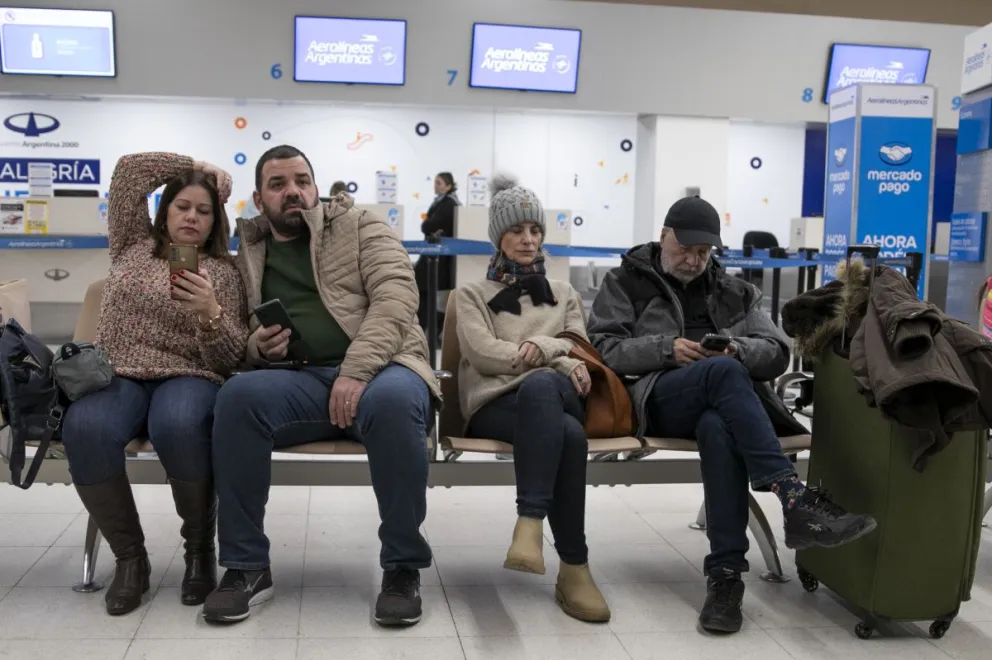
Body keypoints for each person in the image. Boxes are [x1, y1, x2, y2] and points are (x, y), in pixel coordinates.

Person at [587, 196, 877, 635]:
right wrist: (666, 350)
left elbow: (778, 352)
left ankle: (725, 579)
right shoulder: (625, 281)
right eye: (685, 249)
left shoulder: (734, 290)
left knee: (717, 424)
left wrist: (739, 348)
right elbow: (603, 346)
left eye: (703, 252)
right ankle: (791, 494)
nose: (693, 260)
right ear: (664, 235)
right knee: (721, 372)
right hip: (655, 399)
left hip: (722, 408)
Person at [203, 145, 440, 626]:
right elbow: (239, 331)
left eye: (301, 180)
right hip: (299, 378)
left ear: (315, 186)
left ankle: (401, 567)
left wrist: (355, 371)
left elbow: (397, 298)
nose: (293, 191)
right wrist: (257, 347)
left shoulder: (363, 225)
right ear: (258, 197)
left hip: (385, 367)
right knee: (236, 398)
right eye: (278, 184)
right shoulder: (248, 247)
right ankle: (246, 566)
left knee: (395, 405)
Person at [60, 152, 249, 616]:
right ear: (164, 212)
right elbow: (128, 172)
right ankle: (130, 559)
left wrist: (210, 313)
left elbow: (230, 360)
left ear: (215, 221)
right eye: (182, 206)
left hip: (190, 375)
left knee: (180, 425)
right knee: (84, 427)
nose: (192, 217)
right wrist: (196, 165)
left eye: (204, 211)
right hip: (118, 372)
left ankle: (199, 550)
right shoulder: (130, 243)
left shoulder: (225, 272)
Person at [456, 175, 610, 623]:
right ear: (498, 237)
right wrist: (554, 356)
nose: (527, 239)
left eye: (535, 230)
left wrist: (548, 354)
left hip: (558, 393)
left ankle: (530, 523)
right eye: (517, 231)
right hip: (495, 405)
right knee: (567, 434)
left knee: (544, 389)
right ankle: (575, 568)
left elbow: (578, 344)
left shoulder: (563, 292)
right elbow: (482, 354)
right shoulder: (471, 294)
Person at [415, 172, 460, 337]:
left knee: (431, 295)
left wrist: (427, 224)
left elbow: (428, 226)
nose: (436, 185)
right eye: (435, 182)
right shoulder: (442, 202)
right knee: (426, 293)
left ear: (448, 186)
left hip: (439, 259)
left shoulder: (449, 204)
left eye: (439, 183)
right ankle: (425, 331)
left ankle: (428, 332)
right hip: (434, 257)